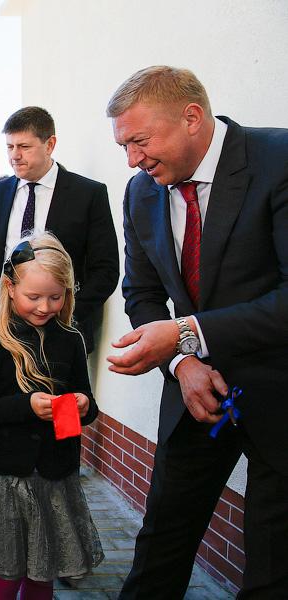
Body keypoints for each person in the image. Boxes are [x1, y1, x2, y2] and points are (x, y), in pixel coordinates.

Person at [106, 66, 288, 599]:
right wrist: (183, 363)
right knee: (160, 545)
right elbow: (140, 295)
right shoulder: (141, 193)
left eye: (139, 142)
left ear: (192, 118)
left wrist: (184, 333)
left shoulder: (277, 161)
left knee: (273, 563)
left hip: (277, 398)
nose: (133, 161)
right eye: (124, 147)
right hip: (196, 398)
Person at [0, 232, 103, 600]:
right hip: (3, 477)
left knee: (42, 571)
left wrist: (83, 405)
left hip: (54, 477)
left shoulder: (70, 338)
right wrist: (27, 405)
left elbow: (88, 405)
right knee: (5, 572)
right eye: (34, 296)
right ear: (10, 287)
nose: (45, 307)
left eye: (56, 296)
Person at [0, 106, 119, 354]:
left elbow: (106, 269)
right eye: (10, 147)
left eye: (24, 147)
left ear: (49, 144)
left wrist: (64, 313)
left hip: (64, 336)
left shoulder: (88, 194)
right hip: (2, 332)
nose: (14, 156)